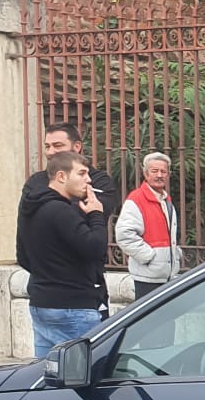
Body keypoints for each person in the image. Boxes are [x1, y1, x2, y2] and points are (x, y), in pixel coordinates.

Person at [19, 151, 109, 357]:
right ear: (61, 176)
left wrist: (49, 273)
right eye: (82, 173)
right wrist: (96, 214)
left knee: (46, 374)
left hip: (42, 303)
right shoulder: (61, 211)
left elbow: (22, 255)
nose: (88, 180)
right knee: (83, 374)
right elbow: (95, 248)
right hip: (73, 306)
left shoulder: (30, 208)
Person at [116, 151, 182, 299]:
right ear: (146, 174)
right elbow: (124, 235)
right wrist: (149, 257)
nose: (159, 175)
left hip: (167, 277)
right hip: (148, 278)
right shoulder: (136, 199)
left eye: (163, 171)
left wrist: (175, 255)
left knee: (166, 320)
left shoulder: (166, 200)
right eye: (154, 171)